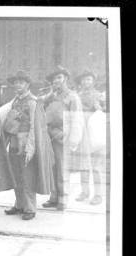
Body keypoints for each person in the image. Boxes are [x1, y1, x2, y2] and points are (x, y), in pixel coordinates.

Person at [3, 70, 54, 220]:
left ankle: (30, 208)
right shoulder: (16, 101)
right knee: (16, 176)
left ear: (28, 84)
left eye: (21, 82)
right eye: (16, 83)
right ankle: (19, 204)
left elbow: (34, 126)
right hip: (14, 143)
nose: (18, 85)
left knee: (27, 177)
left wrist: (30, 148)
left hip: (26, 144)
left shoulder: (33, 101)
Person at [41, 66, 84, 211]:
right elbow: (40, 104)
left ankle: (63, 199)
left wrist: (73, 141)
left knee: (62, 169)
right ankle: (54, 197)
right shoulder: (51, 96)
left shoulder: (72, 97)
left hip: (63, 138)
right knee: (52, 167)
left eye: (59, 77)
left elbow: (77, 120)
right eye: (54, 79)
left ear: (65, 78)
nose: (56, 81)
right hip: (50, 136)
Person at [74, 70, 106, 205]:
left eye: (89, 79)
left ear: (93, 81)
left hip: (96, 134)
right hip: (82, 133)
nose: (86, 82)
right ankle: (85, 192)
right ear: (80, 82)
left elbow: (106, 112)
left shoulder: (99, 95)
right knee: (83, 165)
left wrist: (102, 107)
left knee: (96, 166)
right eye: (84, 79)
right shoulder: (77, 96)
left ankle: (98, 194)